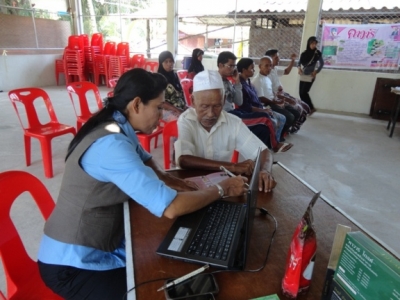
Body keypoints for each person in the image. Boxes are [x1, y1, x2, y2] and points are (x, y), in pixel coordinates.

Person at [37, 68, 247, 300]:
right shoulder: (111, 145)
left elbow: (145, 160)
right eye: (158, 107)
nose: (162, 115)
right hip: (73, 265)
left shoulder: (115, 124)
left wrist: (171, 180)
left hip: (101, 244)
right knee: (155, 291)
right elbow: (171, 207)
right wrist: (221, 189)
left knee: (172, 267)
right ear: (137, 105)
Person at [175, 70, 277, 192]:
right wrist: (233, 167)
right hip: (191, 190)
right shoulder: (186, 120)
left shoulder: (233, 123)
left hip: (222, 189)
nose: (210, 114)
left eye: (217, 106)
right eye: (204, 106)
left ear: (224, 100)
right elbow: (184, 160)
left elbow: (264, 152)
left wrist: (265, 171)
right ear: (193, 101)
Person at [217, 51, 274, 148]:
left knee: (263, 129)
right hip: (225, 116)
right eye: (230, 66)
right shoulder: (214, 81)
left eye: (234, 66)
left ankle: (259, 156)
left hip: (233, 112)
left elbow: (239, 101)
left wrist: (237, 82)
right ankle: (275, 146)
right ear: (220, 65)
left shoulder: (228, 81)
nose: (233, 69)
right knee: (264, 117)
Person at [236, 57, 292, 153]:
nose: (254, 70)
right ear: (244, 70)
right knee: (269, 119)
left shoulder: (248, 82)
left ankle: (273, 144)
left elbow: (257, 99)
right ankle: (274, 145)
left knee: (280, 117)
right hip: (250, 111)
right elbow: (246, 106)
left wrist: (264, 107)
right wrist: (263, 110)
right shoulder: (241, 85)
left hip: (260, 107)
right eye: (251, 68)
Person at [252, 56, 300, 141]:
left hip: (273, 102)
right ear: (260, 66)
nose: (269, 68)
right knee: (289, 116)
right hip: (267, 105)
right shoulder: (257, 80)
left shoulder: (267, 77)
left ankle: (282, 133)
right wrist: (275, 102)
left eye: (270, 65)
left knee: (296, 113)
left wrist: (279, 100)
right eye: (266, 66)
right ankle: (276, 137)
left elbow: (272, 92)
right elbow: (261, 98)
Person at [265, 49, 310, 133]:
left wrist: (292, 60)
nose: (279, 59)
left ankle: (293, 127)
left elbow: (286, 71)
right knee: (298, 109)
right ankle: (289, 128)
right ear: (269, 58)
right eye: (276, 57)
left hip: (282, 94)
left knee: (306, 107)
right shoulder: (266, 74)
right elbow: (271, 94)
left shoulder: (274, 69)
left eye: (278, 57)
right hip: (277, 97)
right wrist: (287, 99)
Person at [157, 50, 188, 122]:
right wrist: (176, 110)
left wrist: (185, 105)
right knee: (183, 121)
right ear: (161, 63)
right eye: (166, 62)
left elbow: (180, 93)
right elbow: (161, 102)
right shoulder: (159, 79)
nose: (169, 64)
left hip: (180, 108)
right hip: (166, 110)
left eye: (171, 61)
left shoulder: (174, 76)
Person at [298, 36, 324, 115]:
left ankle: (311, 108)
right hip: (303, 74)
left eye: (315, 43)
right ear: (309, 43)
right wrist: (299, 68)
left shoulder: (317, 53)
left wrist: (316, 71)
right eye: (312, 43)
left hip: (311, 75)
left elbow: (322, 63)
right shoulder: (304, 53)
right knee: (301, 93)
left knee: (304, 92)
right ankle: (306, 109)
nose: (314, 45)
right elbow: (299, 63)